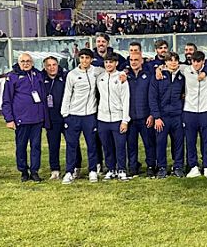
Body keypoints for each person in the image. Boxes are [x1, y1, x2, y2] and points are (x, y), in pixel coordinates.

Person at [61, 48, 106, 184]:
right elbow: (67, 94)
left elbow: (111, 71)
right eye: (82, 58)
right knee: (72, 145)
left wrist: (123, 74)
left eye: (87, 58)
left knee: (92, 144)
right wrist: (65, 114)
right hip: (73, 115)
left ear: (91, 59)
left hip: (90, 115)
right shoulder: (72, 74)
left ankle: (93, 170)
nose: (84, 60)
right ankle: (70, 171)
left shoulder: (97, 71)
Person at [3, 53, 48, 182]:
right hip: (21, 119)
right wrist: (9, 119)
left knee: (36, 146)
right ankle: (23, 171)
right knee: (21, 146)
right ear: (19, 63)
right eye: (23, 61)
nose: (26, 63)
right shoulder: (12, 77)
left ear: (32, 63)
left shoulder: (37, 74)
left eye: (28, 61)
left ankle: (34, 171)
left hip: (37, 119)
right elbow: (7, 99)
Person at [42, 56, 81, 180]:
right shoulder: (41, 79)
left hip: (67, 115)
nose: (52, 68)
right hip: (51, 118)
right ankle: (55, 170)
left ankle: (76, 167)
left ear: (58, 65)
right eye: (49, 65)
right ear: (45, 67)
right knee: (53, 144)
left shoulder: (66, 76)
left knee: (73, 142)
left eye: (54, 65)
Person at [149, 52, 186, 178]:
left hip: (177, 116)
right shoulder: (158, 77)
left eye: (175, 60)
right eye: (170, 60)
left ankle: (178, 166)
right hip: (162, 117)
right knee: (161, 143)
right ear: (165, 62)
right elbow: (152, 98)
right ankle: (162, 167)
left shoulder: (182, 77)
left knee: (179, 142)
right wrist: (156, 117)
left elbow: (184, 94)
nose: (173, 62)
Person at [97, 53, 131, 181]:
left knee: (120, 146)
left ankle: (121, 169)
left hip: (118, 118)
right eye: (106, 62)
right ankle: (111, 169)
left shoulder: (122, 78)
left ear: (116, 63)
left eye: (111, 62)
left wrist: (125, 120)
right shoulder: (100, 78)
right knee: (107, 146)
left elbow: (126, 100)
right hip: (102, 118)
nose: (108, 64)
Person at [182, 50, 207, 178]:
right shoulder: (185, 69)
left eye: (198, 61)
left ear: (203, 61)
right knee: (190, 141)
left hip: (205, 111)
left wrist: (204, 72)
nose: (195, 64)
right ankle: (193, 166)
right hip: (189, 111)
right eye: (193, 61)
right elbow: (169, 66)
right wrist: (159, 69)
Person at [126, 52, 156, 178]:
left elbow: (153, 96)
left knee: (149, 143)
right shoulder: (125, 76)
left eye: (136, 60)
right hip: (131, 118)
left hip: (145, 116)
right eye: (131, 60)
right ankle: (133, 167)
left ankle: (151, 166)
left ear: (142, 61)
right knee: (131, 144)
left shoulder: (149, 76)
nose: (134, 62)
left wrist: (151, 115)